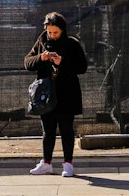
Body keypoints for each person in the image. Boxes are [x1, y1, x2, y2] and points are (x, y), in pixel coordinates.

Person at [23, 11, 89, 177]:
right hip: (46, 94)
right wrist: (42, 58)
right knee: (48, 130)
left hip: (67, 93)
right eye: (49, 32)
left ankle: (68, 164)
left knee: (66, 128)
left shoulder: (72, 44)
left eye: (55, 32)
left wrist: (62, 62)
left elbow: (82, 67)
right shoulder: (42, 41)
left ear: (62, 30)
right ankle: (46, 163)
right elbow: (27, 62)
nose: (52, 35)